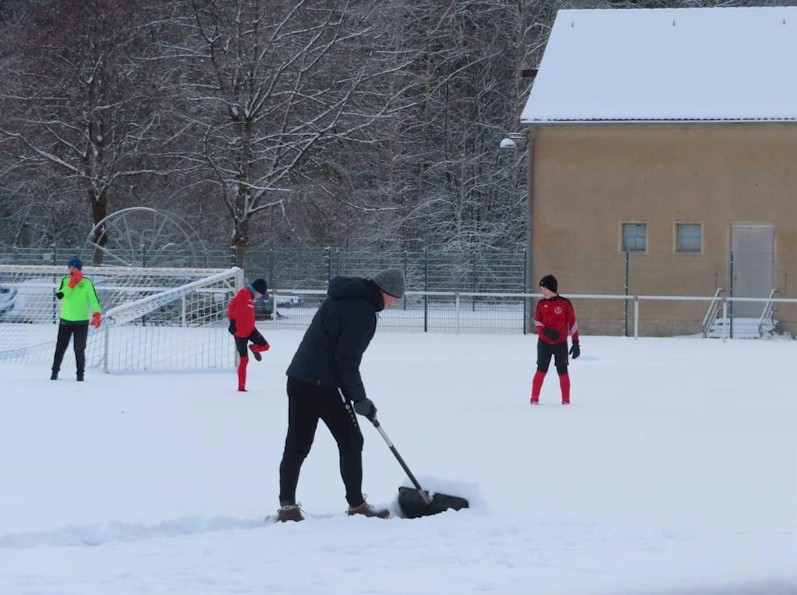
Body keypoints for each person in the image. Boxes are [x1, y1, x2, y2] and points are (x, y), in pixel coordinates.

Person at [276, 268, 406, 522]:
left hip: (300, 379)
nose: (393, 304)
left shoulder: (343, 296)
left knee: (297, 444)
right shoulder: (364, 312)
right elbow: (346, 359)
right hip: (322, 385)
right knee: (351, 441)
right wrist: (359, 399)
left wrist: (357, 397)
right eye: (394, 298)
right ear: (385, 292)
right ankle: (357, 506)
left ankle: (287, 508)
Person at [531, 274, 580, 405]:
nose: (542, 292)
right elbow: (537, 321)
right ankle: (534, 399)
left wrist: (576, 343)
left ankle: (566, 401)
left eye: (544, 289)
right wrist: (546, 331)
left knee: (562, 371)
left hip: (560, 344)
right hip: (544, 343)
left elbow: (573, 323)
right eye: (541, 290)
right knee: (541, 369)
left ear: (551, 288)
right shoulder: (541, 304)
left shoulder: (565, 303)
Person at [51, 257, 102, 381]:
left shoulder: (87, 282)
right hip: (65, 321)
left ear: (79, 269)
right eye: (69, 267)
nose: (70, 269)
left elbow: (94, 299)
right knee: (60, 347)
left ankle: (80, 375)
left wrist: (97, 313)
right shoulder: (64, 281)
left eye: (73, 267)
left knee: (79, 349)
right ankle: (54, 373)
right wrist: (72, 284)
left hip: (81, 322)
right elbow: (60, 295)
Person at [227, 278, 271, 392]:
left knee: (265, 346)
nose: (260, 297)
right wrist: (232, 322)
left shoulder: (251, 299)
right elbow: (232, 306)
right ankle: (241, 388)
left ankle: (253, 348)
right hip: (239, 333)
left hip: (251, 330)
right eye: (261, 294)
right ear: (257, 290)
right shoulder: (244, 293)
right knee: (244, 360)